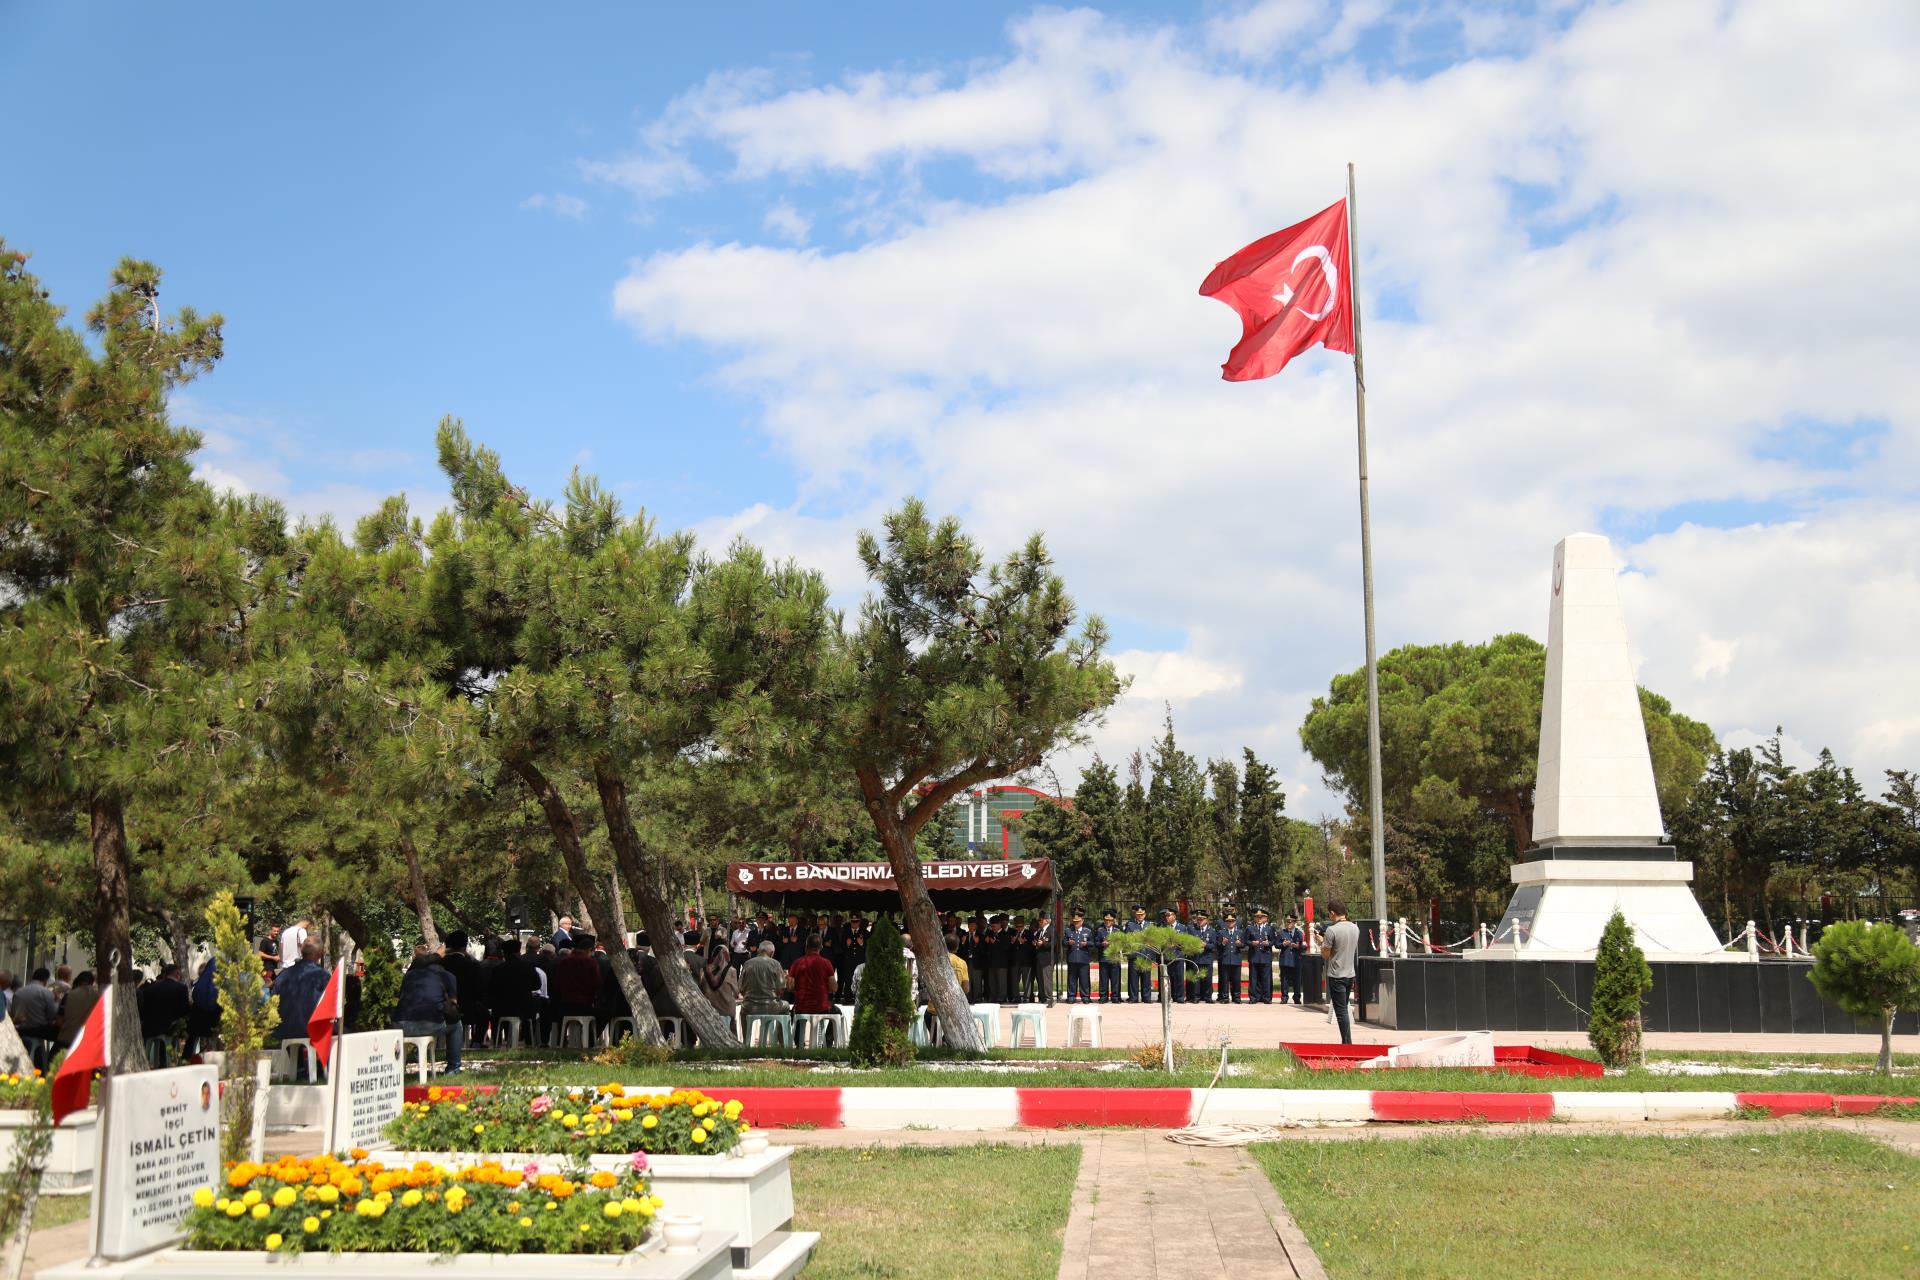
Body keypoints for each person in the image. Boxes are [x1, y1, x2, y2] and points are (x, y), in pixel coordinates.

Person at [396, 943, 464, 1073]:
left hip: (400, 1025)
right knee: (456, 1025)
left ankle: (405, 1064)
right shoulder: (447, 975)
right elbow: (453, 1004)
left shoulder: (409, 976)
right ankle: (453, 1068)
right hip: (429, 1024)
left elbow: (401, 999)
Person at [271, 943, 329, 1072]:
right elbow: (330, 1003)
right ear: (319, 954)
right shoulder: (322, 974)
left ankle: (298, 1068)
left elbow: (273, 1003)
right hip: (311, 1028)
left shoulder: (283, 975)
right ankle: (321, 1067)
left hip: (284, 1030)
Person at [440, 931, 490, 1048]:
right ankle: (477, 1042)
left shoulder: (441, 963)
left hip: (443, 1008)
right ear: (465, 945)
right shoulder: (472, 965)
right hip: (468, 1009)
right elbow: (479, 990)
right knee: (484, 1013)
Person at [1320, 901, 1360, 1045]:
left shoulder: (1332, 930)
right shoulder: (1355, 928)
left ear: (1332, 913)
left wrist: (1322, 942)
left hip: (1336, 975)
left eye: (1329, 914)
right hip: (1350, 973)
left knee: (1341, 1011)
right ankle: (1347, 1040)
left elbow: (1326, 955)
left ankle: (1347, 1042)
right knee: (1344, 1008)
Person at [136, 962, 192, 1063]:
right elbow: (184, 1011)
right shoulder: (181, 988)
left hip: (148, 1028)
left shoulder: (150, 989)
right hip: (168, 1027)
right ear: (177, 974)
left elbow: (144, 1011)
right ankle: (170, 1060)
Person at [9, 968, 60, 1070]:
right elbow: (53, 1015)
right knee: (62, 1036)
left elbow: (13, 1012)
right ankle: (52, 1064)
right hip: (39, 1030)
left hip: (20, 1029)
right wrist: (56, 1001)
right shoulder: (45, 992)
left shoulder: (18, 992)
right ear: (45, 980)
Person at [787, 934, 837, 1016]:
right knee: (837, 1012)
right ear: (821, 947)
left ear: (806, 947)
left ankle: (798, 1025)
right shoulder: (826, 963)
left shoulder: (797, 963)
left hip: (801, 1007)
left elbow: (790, 987)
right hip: (821, 1007)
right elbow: (834, 988)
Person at [740, 940, 789, 1017]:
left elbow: (741, 988)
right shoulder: (776, 964)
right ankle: (778, 1025)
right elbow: (781, 989)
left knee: (743, 1010)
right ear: (772, 953)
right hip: (771, 1006)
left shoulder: (747, 964)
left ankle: (746, 1025)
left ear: (758, 951)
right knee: (786, 1006)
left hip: (749, 1007)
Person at [57, 971, 100, 1044]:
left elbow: (59, 1021)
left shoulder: (69, 995)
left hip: (67, 1038)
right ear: (92, 982)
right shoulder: (97, 995)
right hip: (87, 1040)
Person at [1186, 908, 1219, 1003]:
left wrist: (1206, 945)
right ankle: (1196, 997)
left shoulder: (1212, 930)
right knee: (1196, 979)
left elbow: (1214, 945)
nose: (1199, 921)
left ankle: (1208, 997)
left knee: (1207, 979)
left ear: (1206, 920)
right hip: (1196, 958)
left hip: (1207, 958)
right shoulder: (1193, 930)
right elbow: (1189, 942)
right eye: (1198, 919)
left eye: (1201, 919)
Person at [700, 942, 739, 1021]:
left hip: (709, 1009)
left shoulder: (703, 970)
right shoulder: (731, 970)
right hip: (726, 1010)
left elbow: (701, 989)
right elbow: (736, 993)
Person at [1245, 909, 1276, 1004]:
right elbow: (1245, 940)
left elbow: (1274, 941)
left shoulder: (1269, 929)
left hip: (1265, 956)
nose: (1259, 919)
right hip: (1254, 956)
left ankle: (1267, 997)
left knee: (1266, 978)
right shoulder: (1250, 928)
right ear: (1254, 918)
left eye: (1261, 917)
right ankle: (1253, 998)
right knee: (1253, 978)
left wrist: (1268, 943)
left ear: (1264, 918)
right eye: (1257, 917)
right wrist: (1252, 943)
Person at [1062, 909, 1093, 1003]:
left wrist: (1086, 943)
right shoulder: (1068, 930)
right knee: (1072, 979)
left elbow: (1092, 943)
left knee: (1084, 979)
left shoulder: (1087, 931)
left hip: (1083, 959)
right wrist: (1068, 942)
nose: (1076, 923)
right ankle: (1071, 996)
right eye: (1074, 921)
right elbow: (1063, 942)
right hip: (1072, 959)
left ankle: (1085, 997)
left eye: (1078, 921)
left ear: (1082, 921)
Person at [1122, 906, 1151, 1002]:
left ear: (1145, 915)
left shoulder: (1149, 925)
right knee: (1133, 978)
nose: (1140, 916)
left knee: (1146, 978)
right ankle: (1133, 997)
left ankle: (1146, 997)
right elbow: (1127, 940)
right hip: (1134, 955)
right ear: (1135, 915)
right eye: (1138, 914)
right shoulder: (1130, 925)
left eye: (1142, 914)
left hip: (1146, 956)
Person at [1218, 909, 1245, 1004]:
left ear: (1235, 922)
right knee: (1225, 980)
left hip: (1236, 959)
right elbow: (1218, 946)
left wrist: (1240, 944)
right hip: (1225, 959)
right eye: (1228, 921)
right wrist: (1223, 943)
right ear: (1226, 923)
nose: (1230, 923)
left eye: (1232, 921)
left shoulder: (1240, 932)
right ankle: (1225, 997)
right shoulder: (1221, 933)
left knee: (1236, 980)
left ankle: (1236, 997)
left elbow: (1244, 945)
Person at [1278, 914, 1306, 1006]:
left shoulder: (1300, 933)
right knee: (1284, 980)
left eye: (1290, 922)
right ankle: (1284, 997)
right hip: (1285, 959)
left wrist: (1298, 946)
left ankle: (1297, 998)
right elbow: (1276, 944)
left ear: (1294, 922)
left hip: (1296, 960)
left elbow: (1305, 946)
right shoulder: (1282, 932)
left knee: (1297, 980)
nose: (1288, 923)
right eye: (1287, 922)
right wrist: (1283, 944)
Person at [1095, 910, 1122, 1003]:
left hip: (1115, 958)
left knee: (1115, 979)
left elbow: (1122, 943)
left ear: (1113, 920)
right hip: (1104, 958)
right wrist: (1102, 944)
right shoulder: (1100, 930)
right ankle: (1103, 997)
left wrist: (1114, 944)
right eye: (1106, 920)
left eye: (1110, 920)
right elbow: (1096, 943)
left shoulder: (1118, 931)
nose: (1108, 922)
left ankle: (1115, 997)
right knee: (1103, 979)